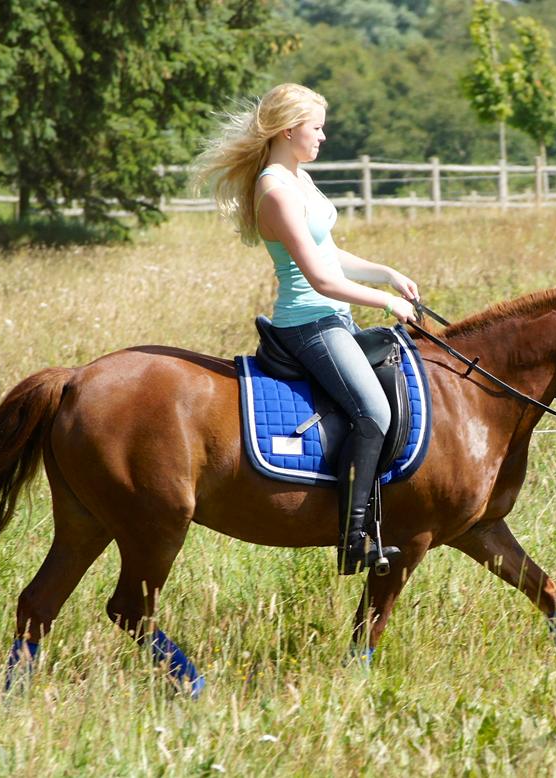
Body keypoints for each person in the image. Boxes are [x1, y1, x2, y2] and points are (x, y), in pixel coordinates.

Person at [194, 83, 419, 575]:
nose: (322, 136)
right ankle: (353, 537)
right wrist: (385, 301)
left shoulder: (300, 178)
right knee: (373, 411)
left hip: (334, 318)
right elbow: (318, 278)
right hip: (309, 324)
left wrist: (386, 273)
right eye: (316, 128)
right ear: (290, 128)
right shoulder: (274, 190)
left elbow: (329, 253)